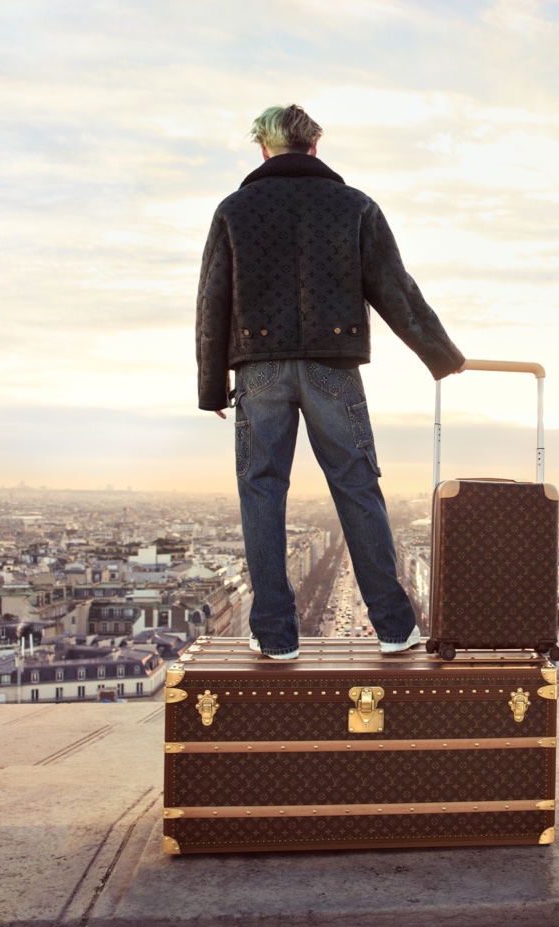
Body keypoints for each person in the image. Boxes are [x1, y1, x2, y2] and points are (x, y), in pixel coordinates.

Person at [196, 104, 465, 661]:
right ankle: (393, 627)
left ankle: (274, 635)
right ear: (314, 146)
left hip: (258, 367)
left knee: (262, 493)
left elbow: (212, 300)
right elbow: (396, 289)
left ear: (263, 148)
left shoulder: (234, 210)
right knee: (357, 486)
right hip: (333, 365)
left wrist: (209, 385)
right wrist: (442, 355)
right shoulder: (354, 206)